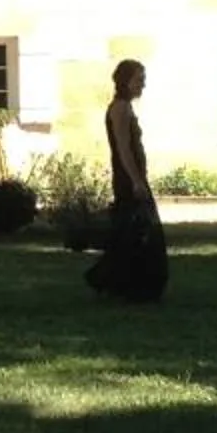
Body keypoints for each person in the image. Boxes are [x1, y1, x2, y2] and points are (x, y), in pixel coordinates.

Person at [87, 58, 169, 302]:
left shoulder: (126, 107)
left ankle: (123, 283)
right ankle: (126, 283)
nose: (142, 85)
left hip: (133, 176)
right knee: (138, 230)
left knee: (130, 232)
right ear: (125, 81)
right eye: (138, 80)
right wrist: (136, 181)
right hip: (127, 178)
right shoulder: (120, 108)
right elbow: (124, 149)